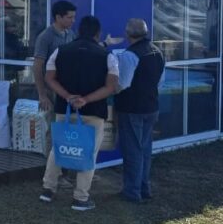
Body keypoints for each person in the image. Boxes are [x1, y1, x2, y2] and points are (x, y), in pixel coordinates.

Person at [38, 15, 119, 211]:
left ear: (79, 31)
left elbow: (49, 78)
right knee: (89, 153)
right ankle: (80, 197)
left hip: (64, 110)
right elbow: (111, 87)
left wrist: (67, 96)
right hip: (93, 112)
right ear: (98, 33)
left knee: (58, 148)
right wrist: (86, 99)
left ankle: (48, 189)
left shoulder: (60, 51)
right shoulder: (107, 56)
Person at [114, 19, 166, 202]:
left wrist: (108, 90)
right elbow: (160, 82)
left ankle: (132, 192)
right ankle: (144, 188)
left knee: (132, 151)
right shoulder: (157, 51)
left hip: (131, 108)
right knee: (144, 149)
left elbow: (122, 84)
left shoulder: (129, 55)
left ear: (128, 34)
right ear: (146, 32)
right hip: (151, 107)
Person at [33, 0, 77, 114]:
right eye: (69, 17)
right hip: (50, 91)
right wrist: (42, 95)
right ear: (58, 17)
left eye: (74, 17)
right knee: (52, 122)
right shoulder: (45, 37)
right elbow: (37, 67)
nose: (73, 20)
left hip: (66, 89)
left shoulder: (71, 34)